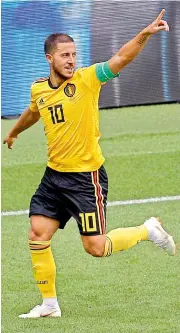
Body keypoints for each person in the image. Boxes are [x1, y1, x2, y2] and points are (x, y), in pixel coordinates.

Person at [3, 9, 176, 319]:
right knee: (37, 234)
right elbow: (33, 112)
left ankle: (147, 230)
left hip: (86, 178)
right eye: (64, 55)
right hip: (54, 177)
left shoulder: (87, 80)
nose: (71, 59)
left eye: (74, 54)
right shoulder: (39, 89)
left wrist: (144, 34)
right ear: (49, 59)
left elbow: (121, 59)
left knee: (95, 248)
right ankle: (49, 305)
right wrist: (14, 131)